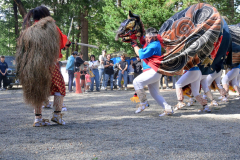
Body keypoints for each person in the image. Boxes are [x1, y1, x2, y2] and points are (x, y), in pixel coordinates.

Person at [16, 6, 70, 127]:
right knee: (59, 87)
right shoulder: (50, 28)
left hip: (31, 67)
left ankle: (38, 119)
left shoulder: (28, 31)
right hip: (48, 64)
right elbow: (62, 42)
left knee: (37, 90)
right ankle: (56, 115)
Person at [130, 27, 173, 116]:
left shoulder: (154, 44)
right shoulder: (152, 42)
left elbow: (141, 54)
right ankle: (168, 109)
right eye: (147, 37)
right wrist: (137, 33)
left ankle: (143, 103)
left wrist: (134, 45)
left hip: (153, 71)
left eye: (149, 37)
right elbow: (141, 39)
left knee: (136, 82)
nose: (147, 39)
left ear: (154, 37)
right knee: (155, 94)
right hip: (153, 72)